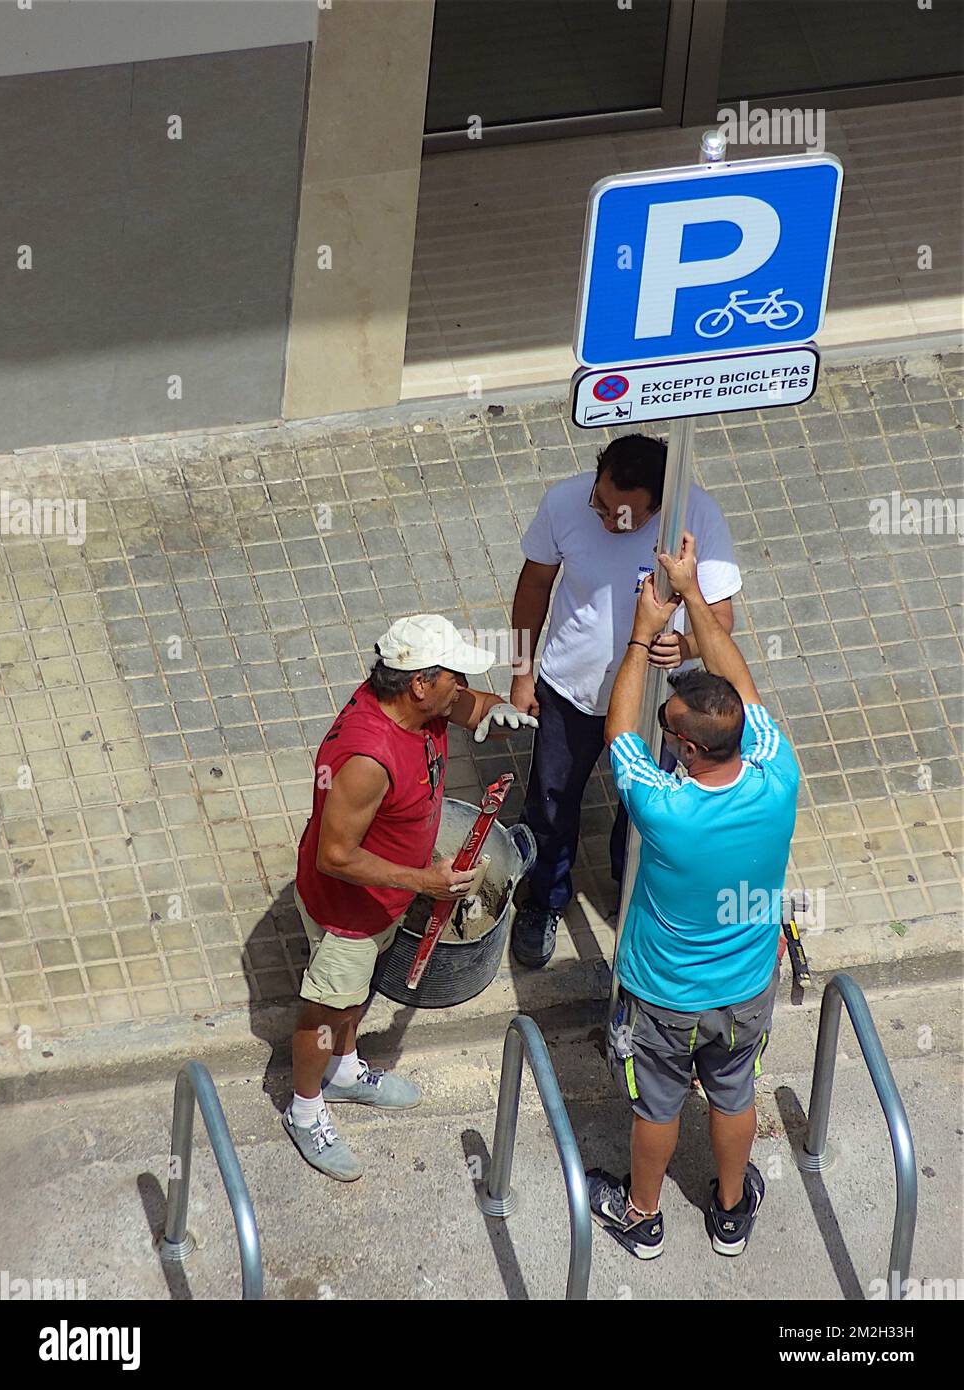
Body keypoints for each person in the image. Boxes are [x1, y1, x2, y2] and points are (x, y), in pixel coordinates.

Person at [587, 531, 799, 1260]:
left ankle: (641, 1215)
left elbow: (617, 732)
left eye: (670, 730)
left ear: (689, 749)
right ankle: (730, 1212)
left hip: (665, 997)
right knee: (735, 1094)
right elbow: (740, 684)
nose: (663, 735)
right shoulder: (777, 774)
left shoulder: (666, 811)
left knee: (657, 1107)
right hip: (745, 989)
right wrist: (694, 594)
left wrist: (640, 635)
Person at [284, 614, 538, 1180]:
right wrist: (425, 883)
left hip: (383, 902)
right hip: (348, 915)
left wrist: (499, 711)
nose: (463, 687)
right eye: (454, 676)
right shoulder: (367, 761)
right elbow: (335, 856)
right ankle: (304, 1109)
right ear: (420, 683)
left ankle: (343, 1070)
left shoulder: (417, 703)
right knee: (329, 1008)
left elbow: (474, 708)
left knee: (357, 996)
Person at [509, 433, 741, 966]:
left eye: (618, 513)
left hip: (656, 702)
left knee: (645, 809)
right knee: (550, 802)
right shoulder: (564, 503)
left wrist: (685, 645)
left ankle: (631, 890)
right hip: (570, 692)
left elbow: (721, 619)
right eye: (598, 498)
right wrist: (522, 674)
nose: (601, 514)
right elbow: (533, 588)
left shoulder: (697, 517)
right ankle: (543, 899)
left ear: (657, 507)